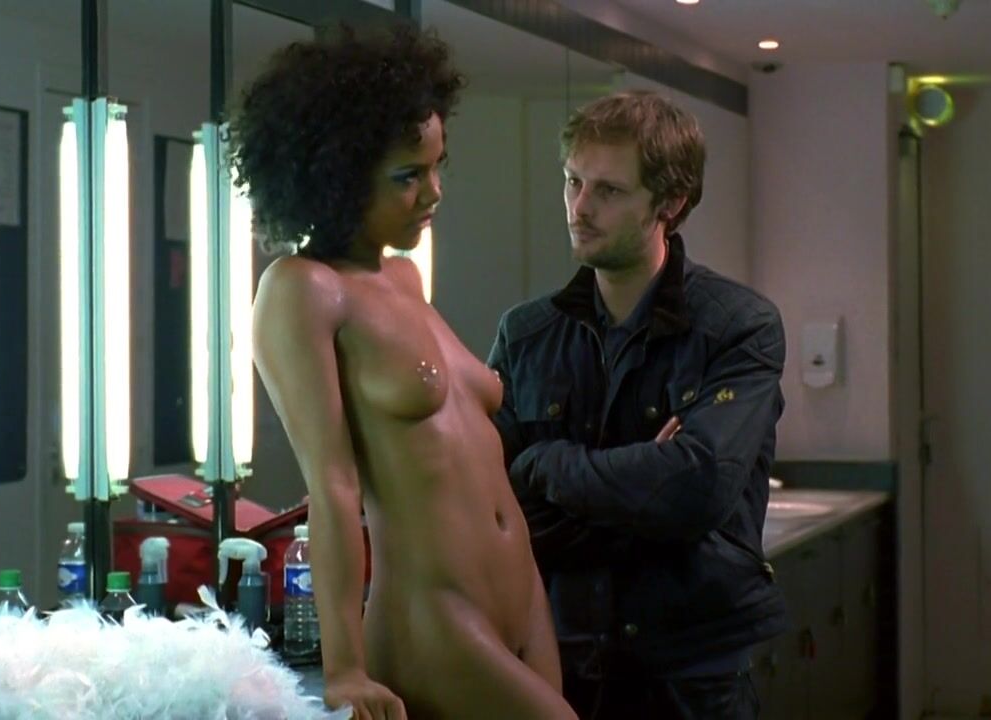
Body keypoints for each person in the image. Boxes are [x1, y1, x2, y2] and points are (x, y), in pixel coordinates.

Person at [230, 25, 576, 720]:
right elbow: (333, 487)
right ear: (336, 176)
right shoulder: (303, 289)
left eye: (438, 166)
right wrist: (344, 670)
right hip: (434, 617)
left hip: (522, 598)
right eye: (407, 176)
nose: (433, 192)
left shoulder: (406, 277)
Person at [487, 89, 788, 719]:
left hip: (691, 673)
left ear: (669, 204)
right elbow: (492, 506)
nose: (580, 207)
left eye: (609, 190)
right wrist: (643, 487)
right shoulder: (527, 335)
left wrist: (546, 463)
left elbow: (697, 489)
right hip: (562, 662)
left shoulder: (738, 326)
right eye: (573, 181)